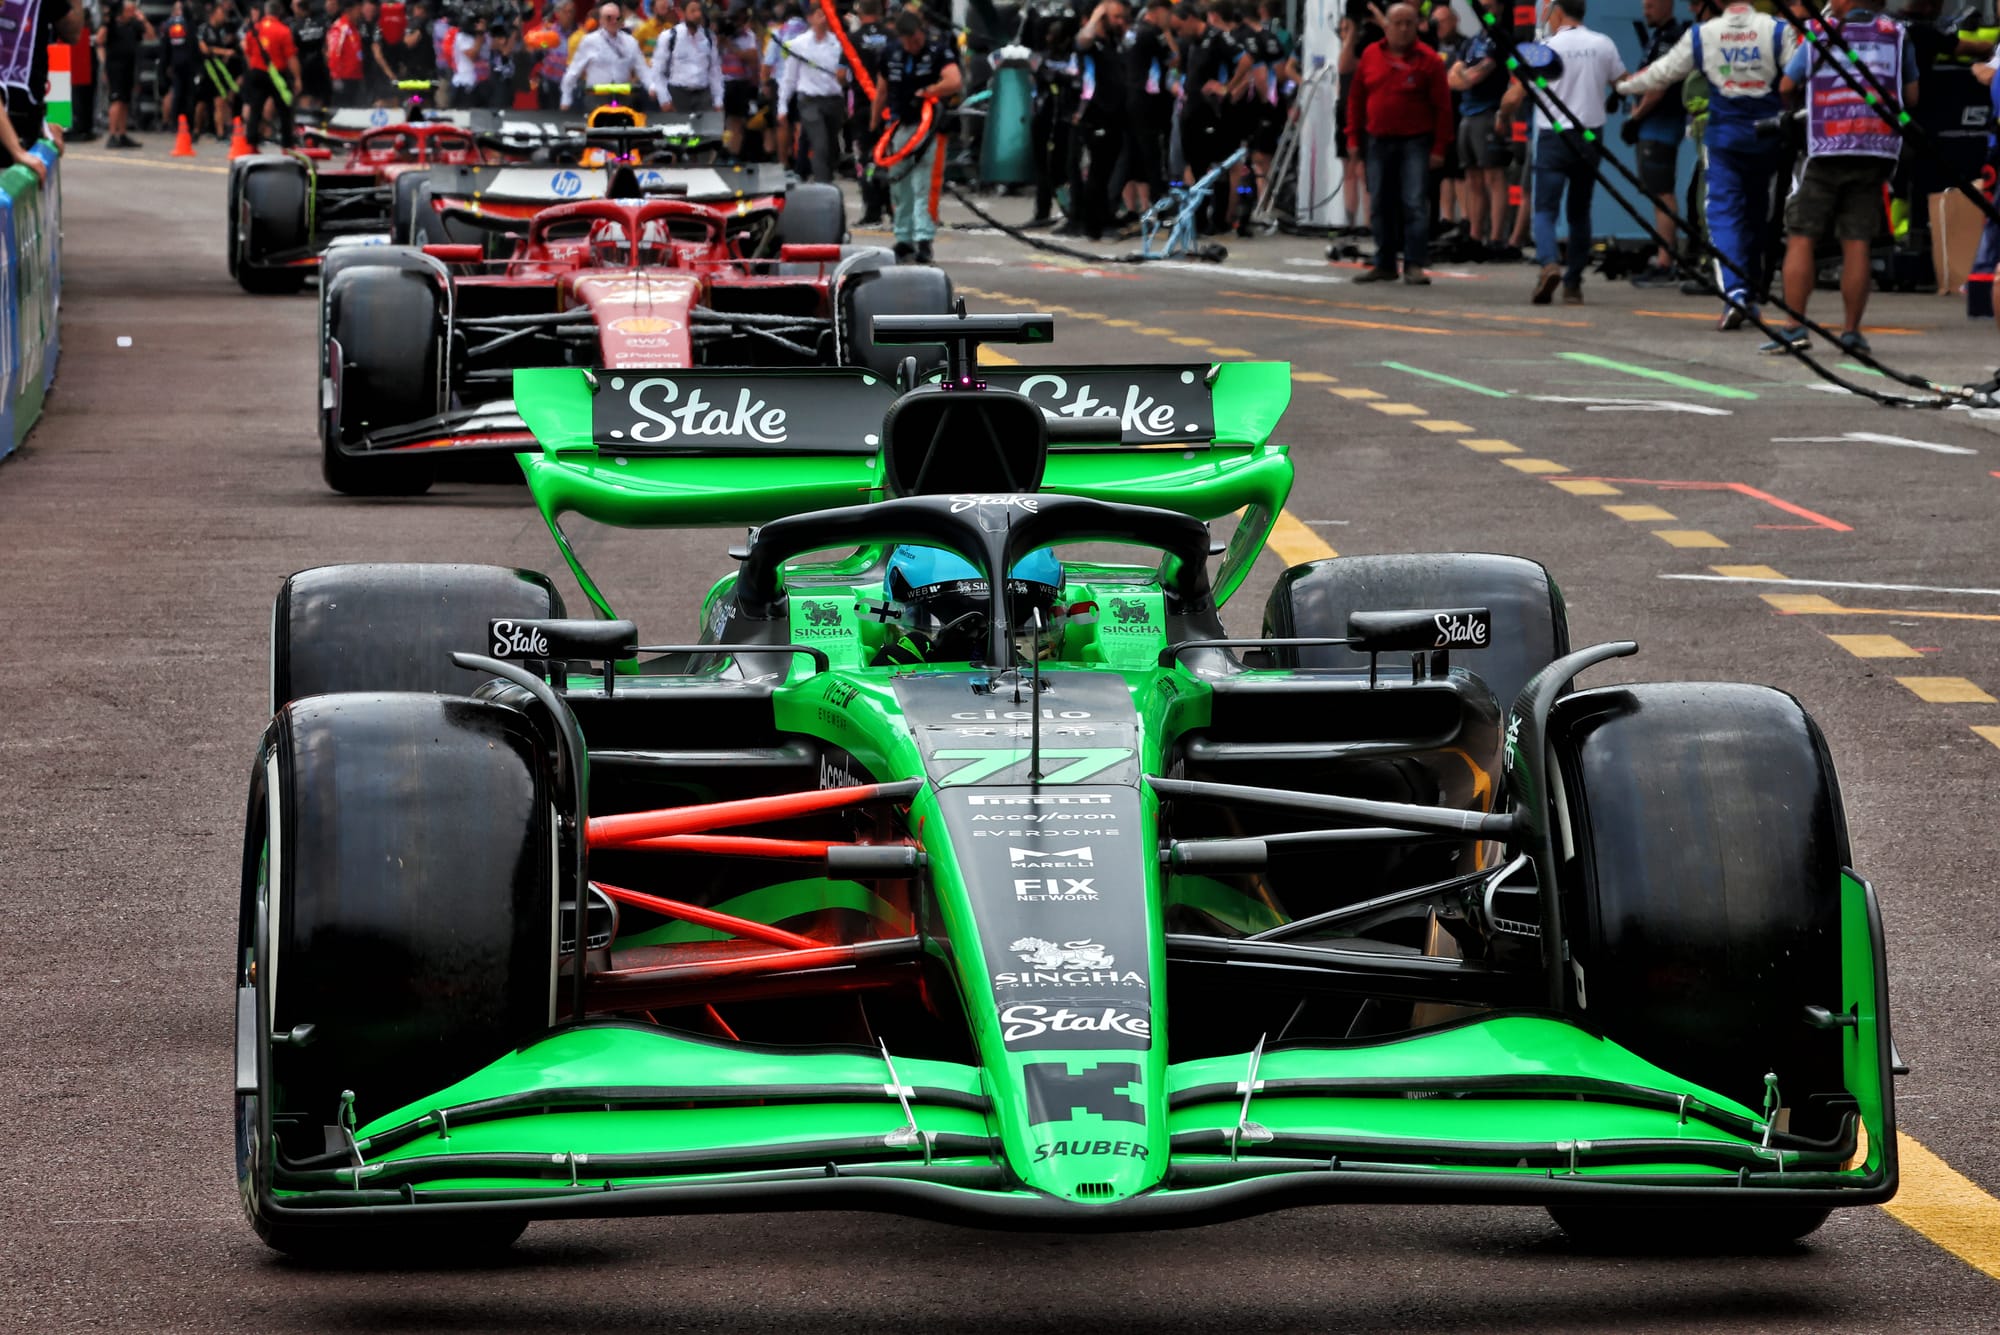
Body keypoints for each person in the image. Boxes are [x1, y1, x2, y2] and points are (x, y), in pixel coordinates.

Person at [1618, 0, 1797, 327]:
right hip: (1767, 138)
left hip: (1724, 140)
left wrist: (1623, 86)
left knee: (1723, 214)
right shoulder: (1777, 30)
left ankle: (1736, 294)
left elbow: (1664, 71)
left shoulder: (1703, 34)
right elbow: (1797, 76)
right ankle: (1753, 286)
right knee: (1759, 213)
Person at [1761, 0, 1919, 352]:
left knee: (1802, 235)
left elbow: (1787, 85)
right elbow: (1910, 95)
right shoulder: (1897, 35)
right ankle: (1851, 331)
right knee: (1857, 240)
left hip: (1825, 147)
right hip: (1875, 147)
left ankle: (1794, 327)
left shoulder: (1820, 33)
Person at [1503, 0, 1626, 304]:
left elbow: (1514, 97)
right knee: (1579, 212)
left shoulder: (1543, 47)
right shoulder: (1603, 44)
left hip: (1553, 137)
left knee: (1545, 210)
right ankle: (1573, 284)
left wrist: (1502, 117)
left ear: (1557, 12)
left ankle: (1548, 264)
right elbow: (1624, 84)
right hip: (1589, 137)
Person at [1345, 2, 1449, 283]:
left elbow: (1443, 108)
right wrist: (1353, 137)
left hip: (1415, 141)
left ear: (1417, 27)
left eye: (1409, 23)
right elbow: (1356, 99)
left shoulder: (1429, 60)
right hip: (1378, 141)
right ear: (1386, 26)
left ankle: (1414, 263)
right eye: (1398, 23)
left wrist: (1439, 148)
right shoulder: (1370, 55)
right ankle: (1385, 262)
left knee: (1414, 202)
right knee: (1379, 202)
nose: (1403, 29)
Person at [871, 8, 959, 262]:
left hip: (928, 129)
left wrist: (929, 91)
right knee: (899, 184)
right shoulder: (890, 54)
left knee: (924, 186)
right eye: (908, 41)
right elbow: (881, 91)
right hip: (898, 127)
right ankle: (903, 238)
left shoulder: (938, 51)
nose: (913, 45)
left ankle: (923, 239)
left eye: (916, 39)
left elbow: (954, 81)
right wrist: (874, 127)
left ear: (921, 32)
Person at [1623, 0, 1690, 283]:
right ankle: (1666, 256)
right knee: (1656, 193)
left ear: (1667, 6)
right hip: (1654, 125)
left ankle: (1666, 261)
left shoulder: (1672, 38)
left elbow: (1658, 87)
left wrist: (1635, 118)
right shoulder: (1658, 37)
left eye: (1651, 5)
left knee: (1662, 193)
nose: (1645, 11)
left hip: (1660, 125)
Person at [1448, 0, 1512, 256]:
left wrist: (1465, 75)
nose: (1485, 10)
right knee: (1472, 177)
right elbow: (1452, 77)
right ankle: (1475, 234)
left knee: (1493, 177)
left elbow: (1477, 75)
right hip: (1467, 112)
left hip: (1488, 111)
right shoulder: (1472, 40)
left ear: (1499, 7)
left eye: (1490, 4)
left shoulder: (1499, 40)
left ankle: (1496, 237)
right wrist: (1464, 76)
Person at [1069, 0, 1130, 240]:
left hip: (1116, 115)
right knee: (1097, 172)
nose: (1120, 21)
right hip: (1096, 114)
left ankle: (1104, 219)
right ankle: (1093, 225)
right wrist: (1096, 16)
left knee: (1106, 171)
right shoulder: (1090, 44)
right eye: (1115, 17)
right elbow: (1081, 40)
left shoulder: (1114, 42)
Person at [775, 0, 846, 182]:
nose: (823, 19)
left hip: (834, 100)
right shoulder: (798, 44)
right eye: (819, 14)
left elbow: (847, 75)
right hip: (809, 101)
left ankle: (826, 176)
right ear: (810, 18)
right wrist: (782, 105)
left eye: (827, 15)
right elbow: (789, 78)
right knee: (820, 144)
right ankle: (824, 184)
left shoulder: (839, 44)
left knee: (831, 147)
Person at [1123, 0, 1176, 221]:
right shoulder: (1154, 33)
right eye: (1167, 13)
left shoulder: (1132, 32)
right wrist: (1166, 33)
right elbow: (1175, 58)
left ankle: (1135, 206)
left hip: (1130, 97)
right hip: (1150, 101)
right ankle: (1158, 204)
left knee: (1134, 154)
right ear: (1157, 11)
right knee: (1153, 154)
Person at [562, 1, 648, 108]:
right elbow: (574, 71)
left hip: (624, 97)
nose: (613, 21)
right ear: (601, 20)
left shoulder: (630, 41)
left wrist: (652, 88)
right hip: (596, 97)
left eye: (617, 18)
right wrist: (566, 97)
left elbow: (642, 69)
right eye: (609, 18)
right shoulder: (589, 41)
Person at [241, 0, 303, 147]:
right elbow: (291, 57)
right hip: (277, 75)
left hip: (257, 73)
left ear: (266, 12)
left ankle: (251, 142)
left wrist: (254, 68)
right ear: (279, 12)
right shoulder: (283, 30)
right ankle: (287, 143)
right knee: (284, 109)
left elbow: (247, 52)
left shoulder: (254, 29)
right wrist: (297, 78)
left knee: (255, 108)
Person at [98, 0, 156, 148]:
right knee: (116, 100)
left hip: (129, 66)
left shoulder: (134, 25)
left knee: (125, 101)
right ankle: (112, 134)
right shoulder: (112, 25)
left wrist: (143, 20)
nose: (132, 12)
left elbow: (151, 36)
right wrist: (104, 61)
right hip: (115, 67)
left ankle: (122, 134)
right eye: (130, 10)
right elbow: (99, 39)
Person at [653, 0, 724, 110]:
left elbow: (715, 71)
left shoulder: (709, 37)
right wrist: (664, 99)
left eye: (699, 10)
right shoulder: (669, 37)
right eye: (693, 11)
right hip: (678, 93)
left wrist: (718, 100)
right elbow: (658, 71)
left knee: (707, 127)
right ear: (682, 13)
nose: (697, 15)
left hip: (703, 94)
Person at [720, 2, 763, 157]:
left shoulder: (748, 35)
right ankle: (720, 154)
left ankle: (732, 155)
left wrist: (730, 46)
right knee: (719, 122)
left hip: (739, 83)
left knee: (736, 122)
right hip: (720, 83)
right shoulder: (720, 34)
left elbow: (752, 57)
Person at [200, 2, 238, 138]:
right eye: (222, 13)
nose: (224, 17)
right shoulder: (204, 29)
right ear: (214, 14)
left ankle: (221, 132)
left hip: (219, 69)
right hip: (206, 69)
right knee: (201, 103)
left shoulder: (221, 31)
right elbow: (204, 49)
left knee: (220, 100)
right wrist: (224, 52)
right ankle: (196, 130)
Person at [162, 0, 200, 130]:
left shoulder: (188, 24)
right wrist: (166, 64)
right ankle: (176, 123)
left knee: (187, 96)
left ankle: (185, 123)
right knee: (178, 95)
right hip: (179, 64)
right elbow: (166, 46)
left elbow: (194, 44)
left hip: (187, 64)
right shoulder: (171, 25)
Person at [291, 0, 329, 112]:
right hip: (320, 67)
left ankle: (307, 126)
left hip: (305, 68)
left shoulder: (294, 26)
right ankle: (320, 126)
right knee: (319, 99)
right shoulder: (322, 21)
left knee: (306, 99)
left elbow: (292, 52)